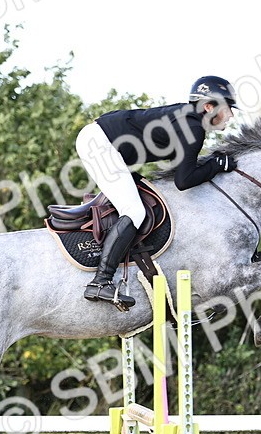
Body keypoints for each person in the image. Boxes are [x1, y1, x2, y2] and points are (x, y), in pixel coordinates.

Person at [75, 75, 240, 306]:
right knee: (134, 211)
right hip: (101, 144)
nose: (231, 115)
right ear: (209, 107)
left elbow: (181, 169)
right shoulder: (193, 127)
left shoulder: (188, 120)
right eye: (228, 108)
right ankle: (101, 282)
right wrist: (217, 166)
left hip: (102, 140)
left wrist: (212, 165)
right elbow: (183, 181)